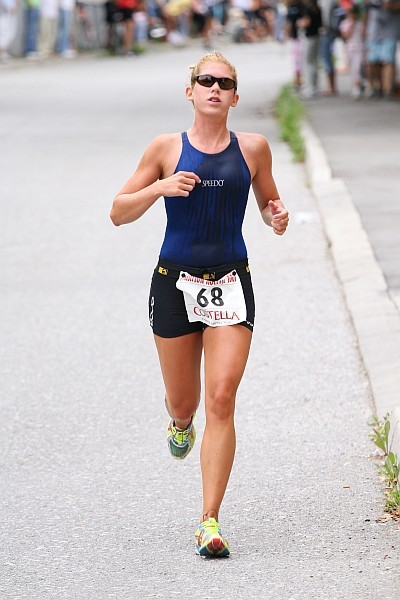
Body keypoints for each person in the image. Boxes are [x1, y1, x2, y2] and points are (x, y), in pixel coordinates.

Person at [110, 51, 289, 558]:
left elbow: (269, 202)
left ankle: (209, 521)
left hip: (231, 284)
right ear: (189, 91)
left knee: (223, 398)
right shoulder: (166, 149)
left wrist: (276, 217)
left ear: (235, 96)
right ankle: (180, 422)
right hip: (174, 284)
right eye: (205, 80)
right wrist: (161, 187)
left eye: (224, 82)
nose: (214, 87)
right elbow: (118, 212)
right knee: (186, 403)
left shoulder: (253, 149)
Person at [298, 0, 322, 98]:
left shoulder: (308, 9)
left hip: (309, 37)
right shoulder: (317, 8)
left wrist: (299, 23)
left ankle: (310, 88)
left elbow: (306, 22)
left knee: (308, 62)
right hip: (316, 36)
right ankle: (314, 86)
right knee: (313, 62)